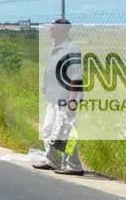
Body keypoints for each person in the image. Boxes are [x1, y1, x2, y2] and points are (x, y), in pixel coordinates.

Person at [34, 18, 84, 175]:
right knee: (48, 129)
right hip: (54, 98)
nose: (51, 30)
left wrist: (71, 101)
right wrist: (45, 86)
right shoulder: (55, 47)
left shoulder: (71, 48)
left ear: (64, 30)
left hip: (66, 97)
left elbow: (76, 76)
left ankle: (74, 166)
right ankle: (53, 161)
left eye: (54, 28)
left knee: (65, 131)